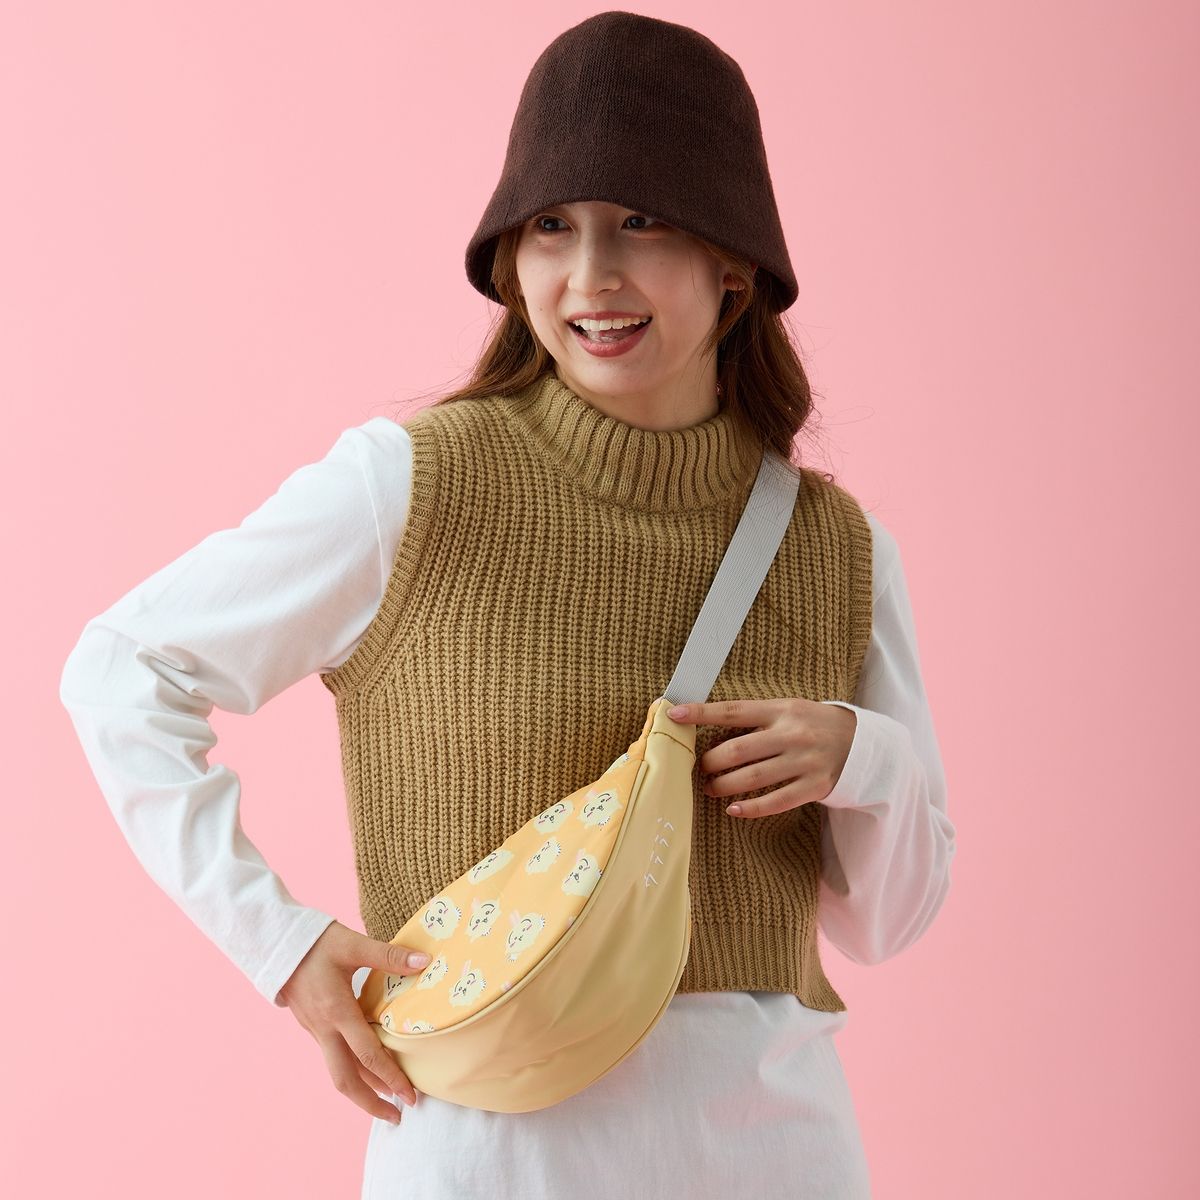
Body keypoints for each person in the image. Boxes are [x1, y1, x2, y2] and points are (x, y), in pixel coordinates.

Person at [59, 12, 956, 1199]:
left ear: (733, 263)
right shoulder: (414, 486)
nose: (591, 276)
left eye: (642, 221)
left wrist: (862, 756)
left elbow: (885, 927)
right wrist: (280, 945)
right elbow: (121, 669)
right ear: (510, 260)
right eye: (551, 227)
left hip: (776, 1150)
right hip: (489, 1156)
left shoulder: (836, 550)